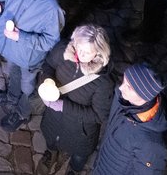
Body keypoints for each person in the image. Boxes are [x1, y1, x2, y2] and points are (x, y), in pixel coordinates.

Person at [0, 0, 65, 132]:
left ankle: (23, 112)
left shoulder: (51, 8)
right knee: (12, 72)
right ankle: (11, 97)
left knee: (28, 86)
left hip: (29, 56)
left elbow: (50, 41)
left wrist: (20, 37)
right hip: (11, 48)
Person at [35, 24, 114, 175]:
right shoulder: (63, 50)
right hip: (54, 118)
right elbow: (49, 65)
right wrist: (47, 81)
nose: (80, 54)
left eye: (87, 52)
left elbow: (99, 116)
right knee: (52, 139)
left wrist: (64, 107)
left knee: (79, 155)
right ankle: (51, 154)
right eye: (78, 47)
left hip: (81, 131)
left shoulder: (104, 83)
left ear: (98, 53)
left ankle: (74, 169)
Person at [90, 63, 167, 175]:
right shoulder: (123, 97)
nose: (121, 87)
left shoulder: (152, 145)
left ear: (144, 96)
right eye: (124, 80)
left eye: (129, 87)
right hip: (101, 164)